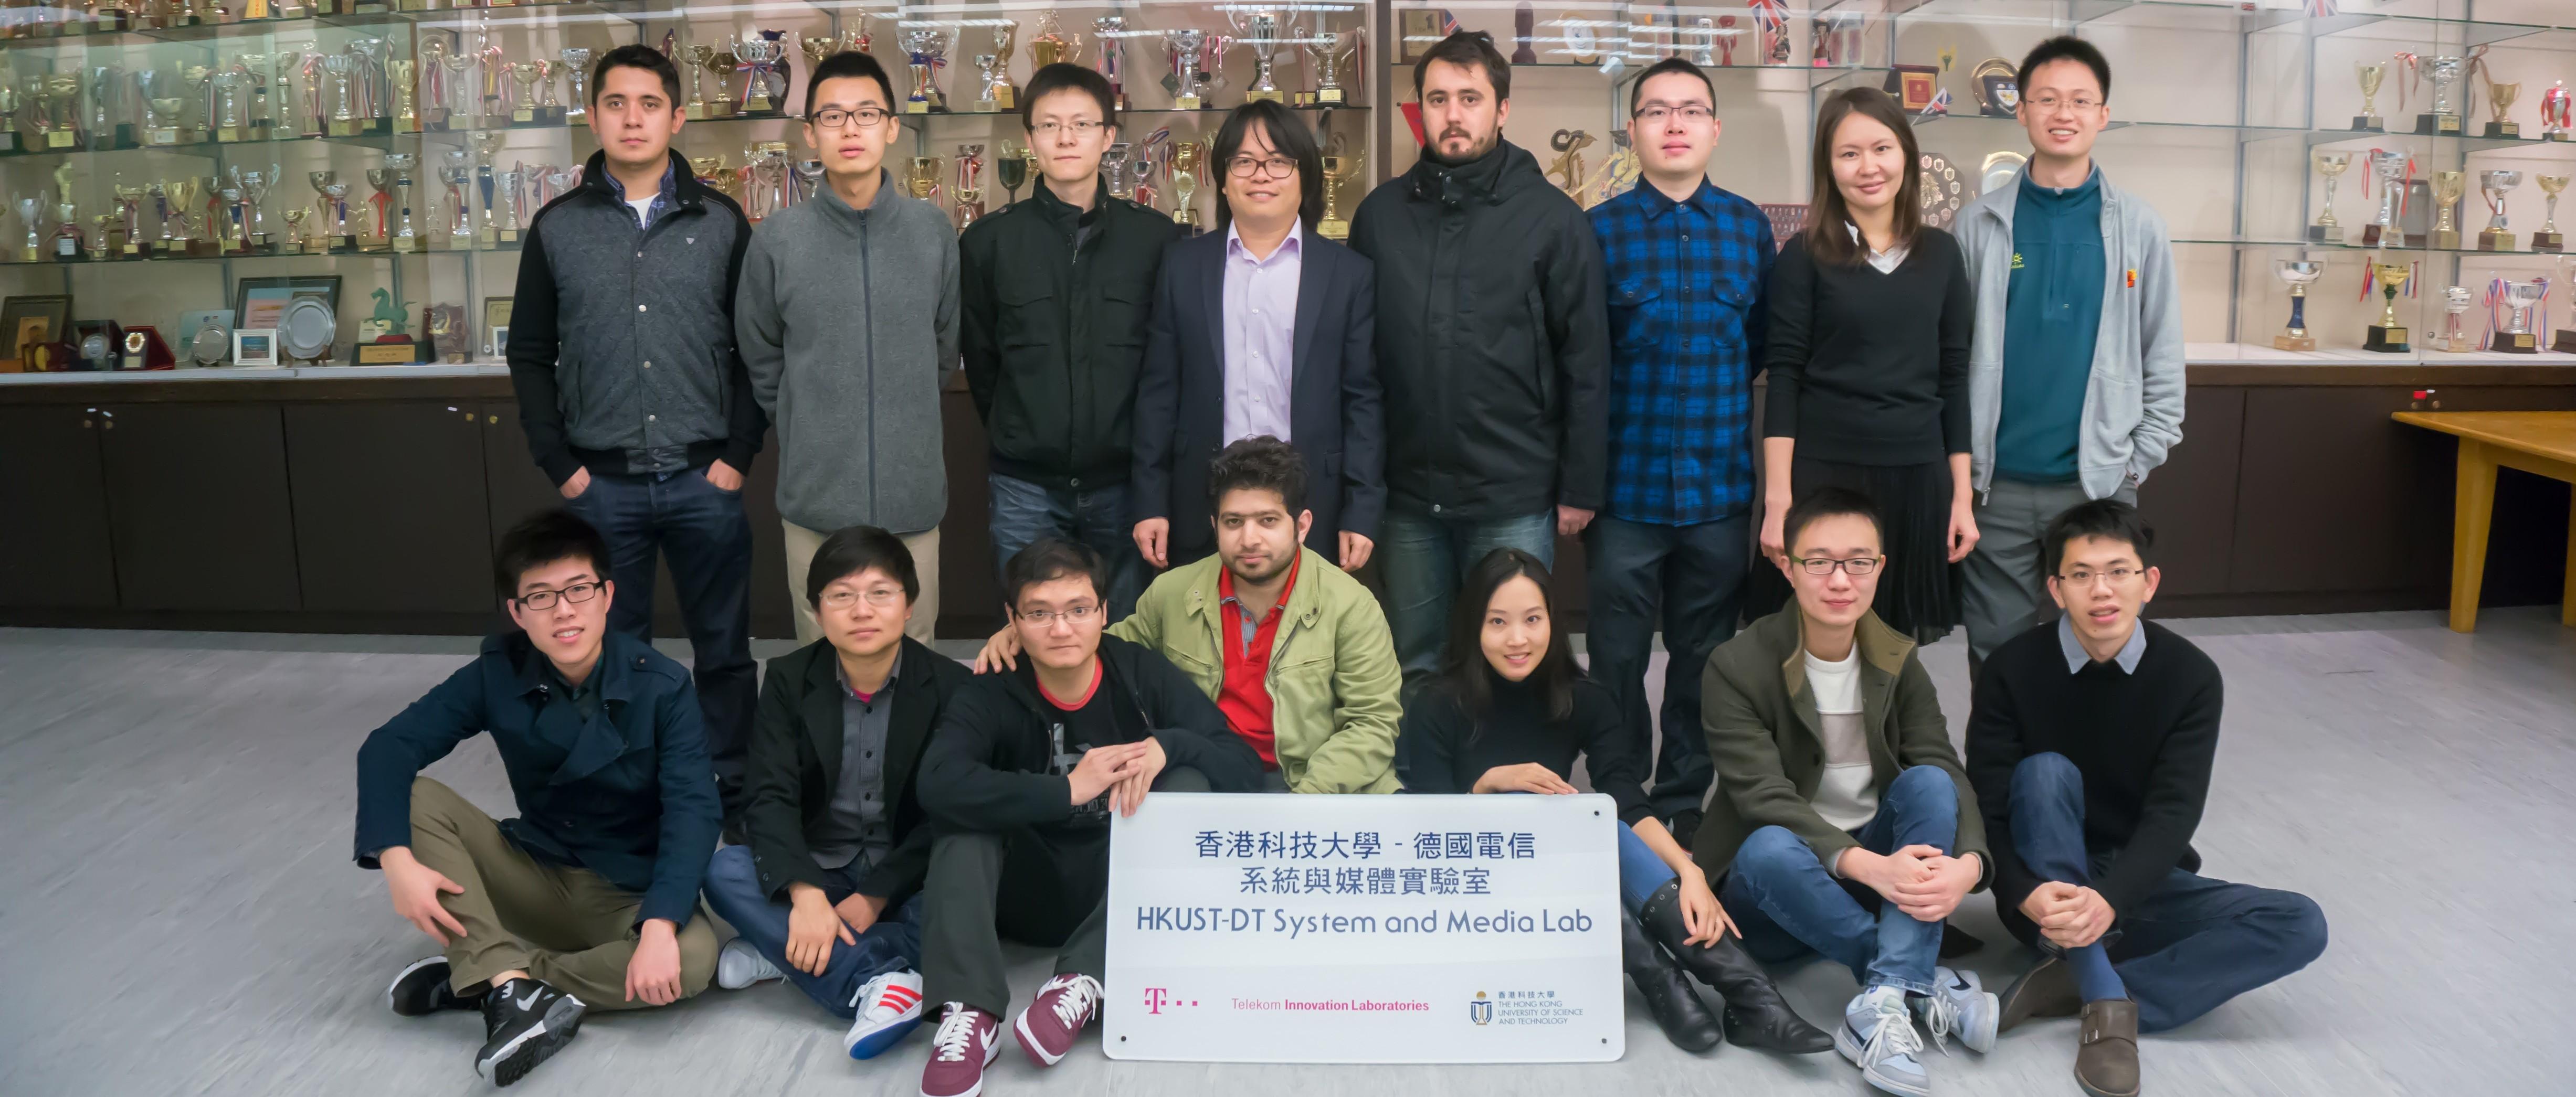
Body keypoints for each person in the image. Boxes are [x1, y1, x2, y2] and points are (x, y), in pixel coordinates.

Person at [1396, 547, 1831, 1056]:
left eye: (1532, 619)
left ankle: (1751, 998)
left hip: (1555, 872)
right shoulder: (1435, 703)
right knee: (1574, 832)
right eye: (1498, 622)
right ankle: (1664, 983)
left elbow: (1624, 801)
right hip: (1468, 883)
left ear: (1553, 623)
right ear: (1474, 626)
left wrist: (1688, 872)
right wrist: (1487, 786)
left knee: (1603, 826)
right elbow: (1422, 828)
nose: (1518, 639)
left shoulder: (1585, 699)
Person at [1966, 500, 2325, 1097]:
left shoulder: (2190, 676)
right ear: (2056, 589)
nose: (2101, 591)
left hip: (2136, 885)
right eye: (2080, 575)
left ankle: (2079, 979)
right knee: (2046, 773)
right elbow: (1988, 804)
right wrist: (2022, 893)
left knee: (2300, 923)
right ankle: (2104, 1001)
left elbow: (2174, 812)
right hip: (2043, 895)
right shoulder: (2011, 668)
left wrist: (2113, 897)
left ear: (2149, 582)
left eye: (2118, 571)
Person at [353, 510, 720, 1087]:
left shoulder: (663, 684)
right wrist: (395, 860)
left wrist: (656, 929)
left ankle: (493, 980)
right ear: (518, 613)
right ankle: (504, 979)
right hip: (536, 870)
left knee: (693, 961)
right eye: (541, 597)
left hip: (627, 889)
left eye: (579, 590)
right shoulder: (499, 671)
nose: (564, 611)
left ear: (607, 596)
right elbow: (387, 749)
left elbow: (694, 811)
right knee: (416, 796)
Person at [509, 44, 763, 819]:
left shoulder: (722, 222)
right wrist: (561, 463)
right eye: (616, 103)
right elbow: (529, 351)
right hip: (601, 483)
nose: (632, 118)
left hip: (703, 478)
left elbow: (758, 347)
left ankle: (732, 785)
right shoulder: (557, 227)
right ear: (594, 116)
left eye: (648, 104)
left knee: (723, 649)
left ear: (677, 116)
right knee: (611, 652)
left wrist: (737, 457)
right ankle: (630, 784)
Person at [912, 539, 1263, 1097]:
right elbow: (936, 783)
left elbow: (1245, 770)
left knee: (1189, 782)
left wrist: (1168, 746)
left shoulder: (1139, 672)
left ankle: (1083, 979)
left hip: (1121, 894)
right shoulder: (993, 687)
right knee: (965, 817)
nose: (1061, 629)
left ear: (1104, 612)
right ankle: (970, 1012)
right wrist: (1067, 791)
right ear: (1012, 620)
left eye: (1078, 610)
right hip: (1027, 888)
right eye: (1039, 613)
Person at [1698, 487, 1998, 1097]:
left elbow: (1944, 764)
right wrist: (1873, 870)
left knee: (1929, 783)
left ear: (1880, 568)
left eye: (1860, 561)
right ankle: (1918, 977)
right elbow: (1762, 797)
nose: (1841, 580)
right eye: (1820, 561)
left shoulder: (1896, 657)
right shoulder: (1736, 665)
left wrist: (1970, 865)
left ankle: (1881, 1003)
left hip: (1872, 876)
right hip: (1778, 889)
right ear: (1787, 565)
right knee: (1769, 845)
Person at [1347, 30, 1608, 688]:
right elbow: (1359, 363)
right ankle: (1431, 786)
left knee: (1516, 663)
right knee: (1419, 662)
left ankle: (1514, 787)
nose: (1453, 114)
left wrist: (1579, 487)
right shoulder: (1379, 217)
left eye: (1470, 97)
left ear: (1502, 109)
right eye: (1438, 99)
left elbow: (1586, 361)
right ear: (1421, 110)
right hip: (1408, 496)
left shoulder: (1553, 220)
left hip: (1512, 491)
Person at [977, 438, 1403, 793]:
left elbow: (1372, 723)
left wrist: (1303, 803)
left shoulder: (1350, 603)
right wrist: (1018, 633)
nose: (1249, 538)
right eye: (1234, 521)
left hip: (1315, 783)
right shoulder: (1173, 592)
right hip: (1206, 774)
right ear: (1214, 524)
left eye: (1268, 520)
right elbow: (1103, 651)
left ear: (1303, 525)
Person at [1583, 56, 1773, 849]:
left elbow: (1760, 346)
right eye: (1656, 111)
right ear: (1632, 130)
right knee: (1617, 657)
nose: (1674, 124)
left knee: (1702, 659)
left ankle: (1686, 795)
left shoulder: (1749, 227)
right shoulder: (1597, 229)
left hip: (1718, 491)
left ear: (1715, 129)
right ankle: (1621, 796)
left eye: (1690, 110)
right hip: (1625, 492)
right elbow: (1584, 362)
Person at [698, 525, 973, 1061]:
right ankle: (880, 981)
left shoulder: (951, 686)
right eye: (842, 596)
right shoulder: (788, 678)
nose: (862, 610)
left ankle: (785, 952)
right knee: (724, 870)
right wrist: (804, 894)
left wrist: (876, 895)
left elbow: (947, 810)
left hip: (907, 872)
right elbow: (770, 795)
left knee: (966, 899)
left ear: (909, 604)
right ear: (818, 611)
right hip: (820, 864)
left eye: (880, 593)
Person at [1955, 37, 2186, 672]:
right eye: (2048, 99)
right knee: (1995, 652)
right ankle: (2005, 774)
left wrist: (2136, 463)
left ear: (2103, 115)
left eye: (2082, 100)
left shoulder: (2139, 227)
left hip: (2098, 484)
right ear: (2021, 110)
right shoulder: (1978, 225)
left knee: (2102, 648)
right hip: (1994, 488)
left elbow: (2161, 352)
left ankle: (2087, 774)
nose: (2065, 113)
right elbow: (1954, 356)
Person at [738, 50, 958, 646]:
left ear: (892, 126)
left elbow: (943, 347)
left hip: (912, 500)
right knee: (821, 663)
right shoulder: (778, 240)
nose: (851, 129)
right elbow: (760, 355)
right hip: (816, 499)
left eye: (866, 113)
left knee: (914, 659)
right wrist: (803, 417)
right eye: (832, 116)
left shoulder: (932, 230)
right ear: (810, 133)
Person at [960, 63, 1185, 623]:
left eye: (1082, 124)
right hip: (1025, 485)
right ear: (1029, 137)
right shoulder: (990, 241)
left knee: (1129, 632)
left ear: (1109, 137)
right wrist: (1022, 431)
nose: (1066, 138)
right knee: (1032, 631)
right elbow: (984, 363)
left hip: (1125, 483)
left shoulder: (1156, 239)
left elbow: (1169, 363)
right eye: (1050, 125)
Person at [1752, 87, 1977, 645]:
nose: (1868, 167)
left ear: (1907, 154)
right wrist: (1778, 500)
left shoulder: (1943, 255)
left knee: (1895, 646)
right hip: (1826, 475)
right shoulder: (1804, 255)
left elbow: (1954, 378)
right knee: (1817, 640)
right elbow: (1785, 376)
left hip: (1916, 476)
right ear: (1828, 167)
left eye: (1882, 148)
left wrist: (1962, 498)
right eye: (1848, 153)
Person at [1129, 99, 1384, 574]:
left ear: (1304, 175)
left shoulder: (1347, 274)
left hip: (1312, 503)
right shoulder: (1183, 267)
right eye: (1243, 161)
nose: (1260, 175)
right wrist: (1150, 501)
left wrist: (1363, 508)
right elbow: (1158, 392)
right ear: (1223, 180)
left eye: (1279, 161)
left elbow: (1363, 400)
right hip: (1201, 500)